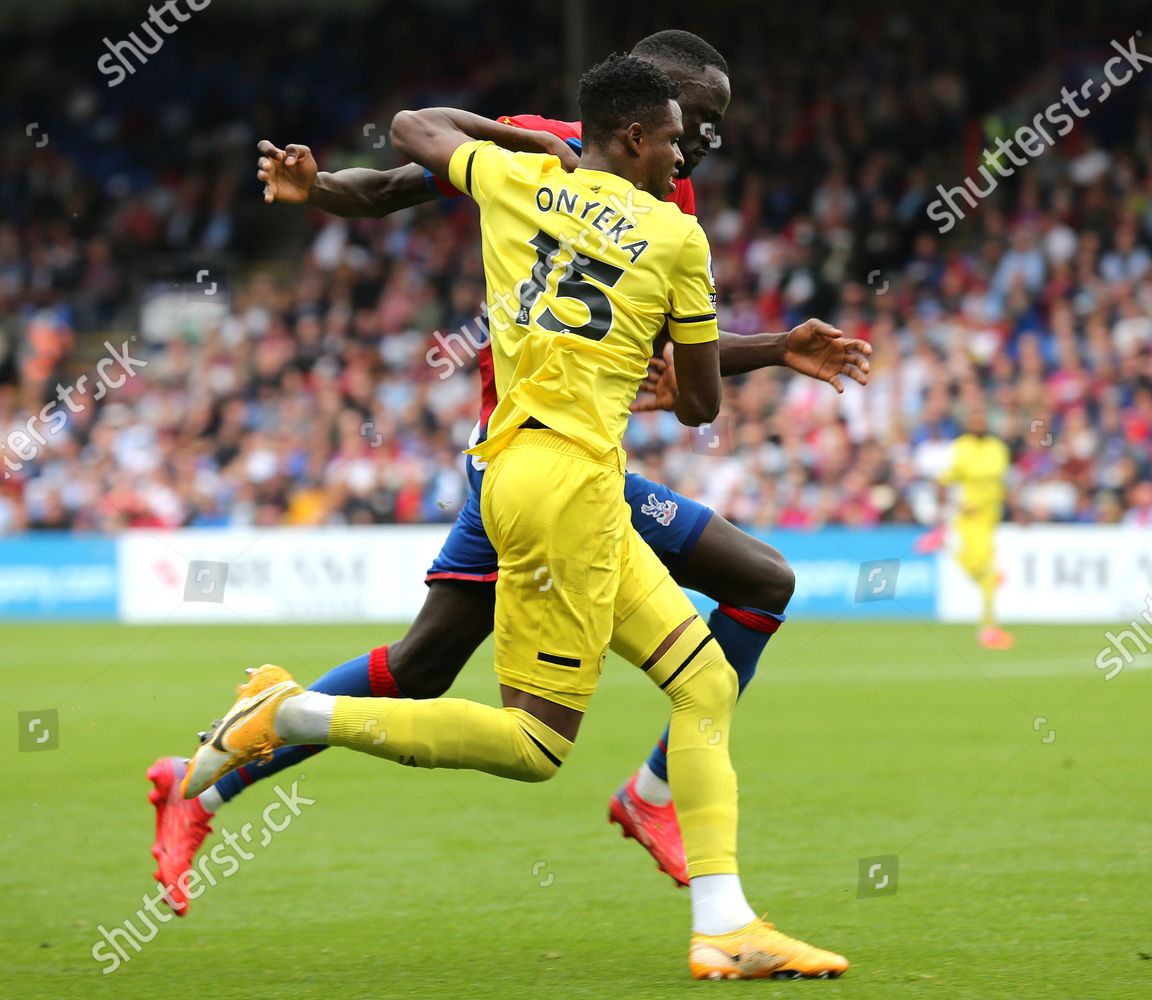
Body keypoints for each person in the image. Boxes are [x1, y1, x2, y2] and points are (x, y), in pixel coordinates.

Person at [148, 30, 872, 913]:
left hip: (561, 463)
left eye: (713, 126)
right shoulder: (543, 147)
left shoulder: (663, 192)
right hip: (534, 459)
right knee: (731, 599)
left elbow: (676, 356)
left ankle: (199, 779)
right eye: (700, 121)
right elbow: (389, 182)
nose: (707, 142)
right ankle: (651, 805)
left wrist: (775, 347)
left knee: (426, 666)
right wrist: (318, 189)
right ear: (652, 107)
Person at [941, 407, 1012, 649]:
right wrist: (946, 500)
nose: (979, 424)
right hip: (970, 518)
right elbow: (948, 477)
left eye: (982, 419)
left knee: (985, 573)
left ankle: (946, 548)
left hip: (990, 518)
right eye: (975, 419)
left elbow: (999, 479)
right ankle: (989, 629)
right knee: (989, 573)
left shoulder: (997, 448)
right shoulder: (962, 446)